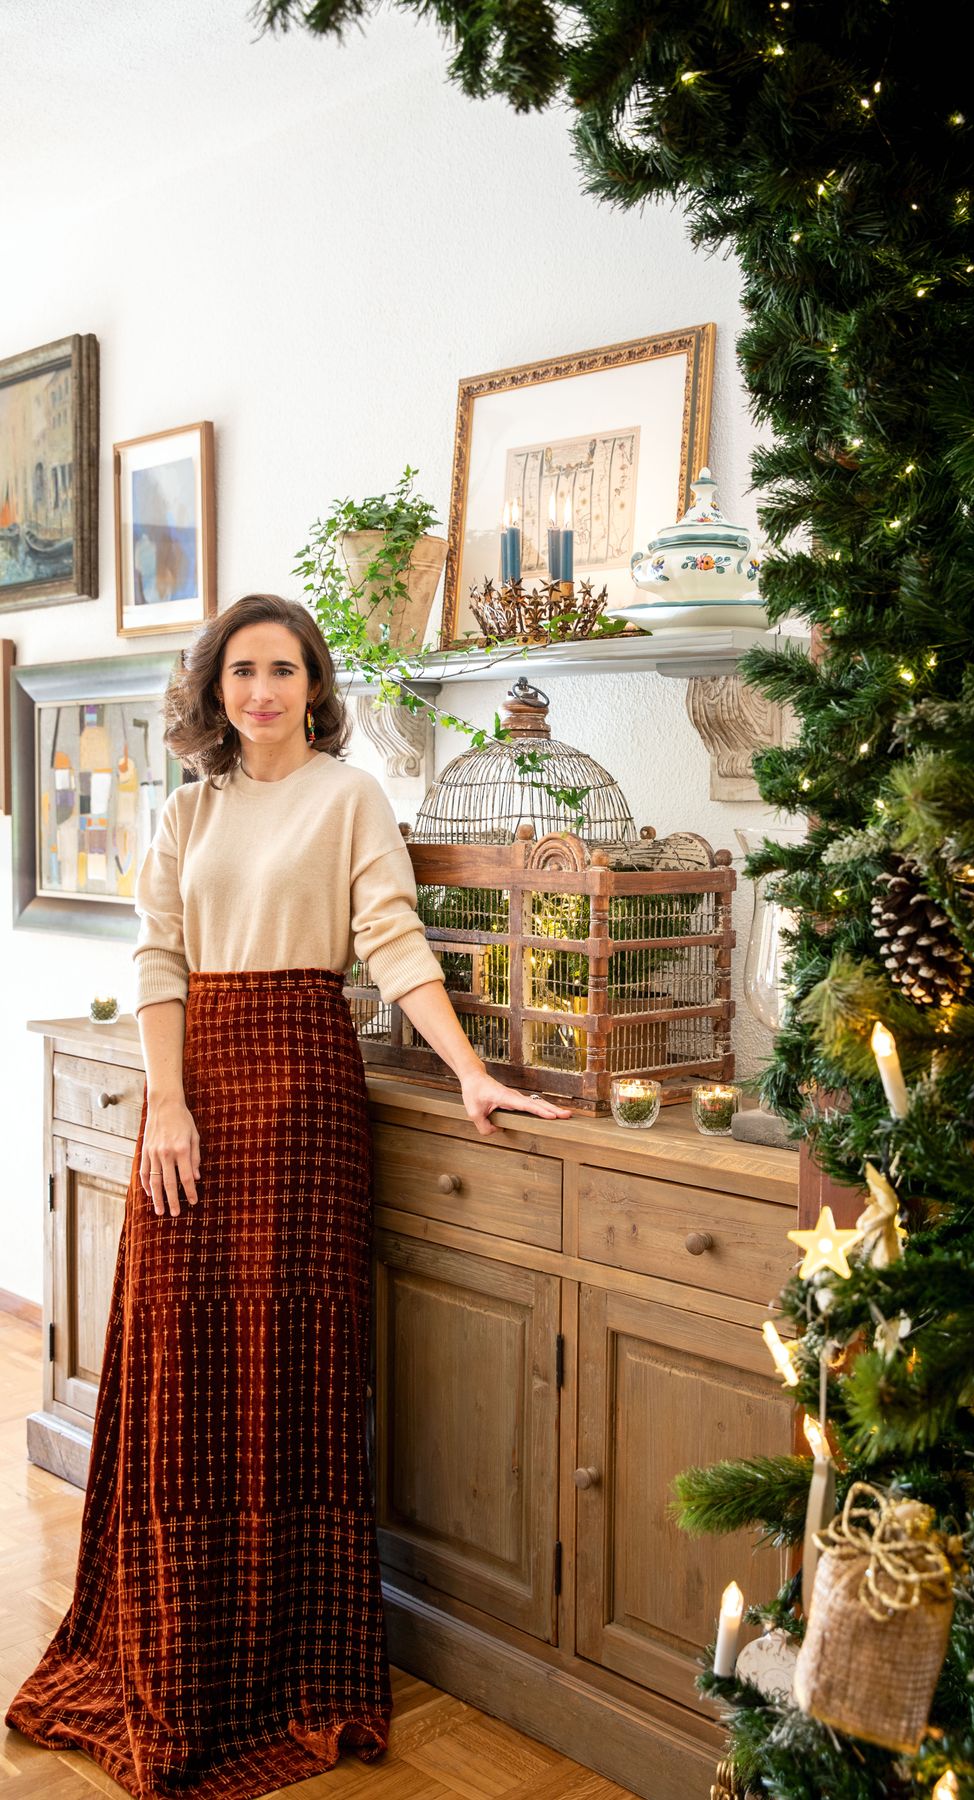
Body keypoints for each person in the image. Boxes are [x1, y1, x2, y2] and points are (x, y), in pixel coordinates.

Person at [5, 592, 573, 1799]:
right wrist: (168, 1100)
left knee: (292, 1369)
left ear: (316, 686)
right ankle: (174, 1643)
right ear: (215, 687)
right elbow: (158, 956)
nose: (262, 690)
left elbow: (393, 940)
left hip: (308, 1090)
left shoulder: (349, 797)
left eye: (284, 670)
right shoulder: (187, 808)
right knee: (178, 1362)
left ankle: (283, 1662)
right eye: (241, 670)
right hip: (198, 1081)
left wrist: (472, 1073)